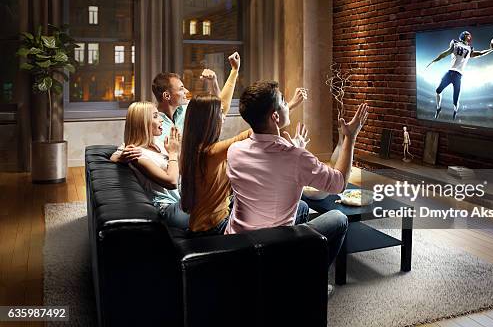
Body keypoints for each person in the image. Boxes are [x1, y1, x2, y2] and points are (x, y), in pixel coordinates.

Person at [224, 81, 369, 277]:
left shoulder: (234, 151)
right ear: (275, 116)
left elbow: (269, 158)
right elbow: (339, 183)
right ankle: (310, 283)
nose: (288, 105)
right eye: (284, 102)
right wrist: (349, 137)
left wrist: (294, 146)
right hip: (272, 248)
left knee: (300, 206)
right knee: (339, 218)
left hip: (236, 244)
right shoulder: (296, 157)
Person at [181, 59, 310, 235]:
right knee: (300, 207)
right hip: (213, 228)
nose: (224, 115)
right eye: (220, 114)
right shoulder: (210, 153)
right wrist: (287, 107)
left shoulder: (194, 147)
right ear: (209, 121)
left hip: (204, 221)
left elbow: (223, 104)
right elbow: (255, 130)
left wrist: (234, 71)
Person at [110, 101, 189, 229]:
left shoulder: (157, 143)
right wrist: (173, 154)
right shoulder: (137, 154)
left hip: (178, 201)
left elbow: (179, 172)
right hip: (167, 209)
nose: (161, 120)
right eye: (156, 116)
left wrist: (177, 152)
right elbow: (172, 182)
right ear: (143, 123)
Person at [426, 31, 493, 120]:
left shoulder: (470, 48)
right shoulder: (455, 43)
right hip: (450, 72)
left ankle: (455, 110)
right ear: (463, 36)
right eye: (468, 35)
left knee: (455, 99)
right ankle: (438, 108)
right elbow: (446, 53)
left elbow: (480, 53)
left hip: (458, 75)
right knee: (438, 90)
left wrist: (490, 49)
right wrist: (435, 60)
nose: (469, 37)